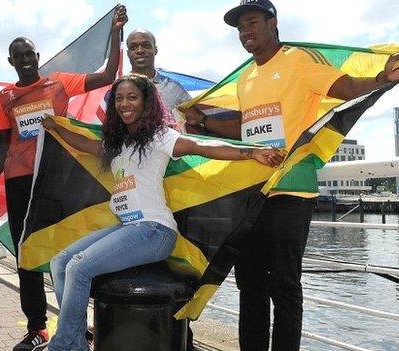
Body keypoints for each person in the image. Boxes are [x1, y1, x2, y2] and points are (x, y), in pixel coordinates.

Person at [185, 1, 399, 349]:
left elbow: (347, 87)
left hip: (292, 189)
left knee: (284, 284)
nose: (245, 31)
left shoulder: (298, 61)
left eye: (252, 22)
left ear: (272, 23)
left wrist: (382, 79)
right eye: (240, 28)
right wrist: (203, 121)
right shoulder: (246, 76)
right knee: (249, 283)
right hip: (254, 189)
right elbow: (245, 126)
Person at [40, 74, 285, 351]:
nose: (124, 104)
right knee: (60, 262)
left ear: (146, 102)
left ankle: (62, 346)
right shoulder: (118, 143)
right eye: (119, 99)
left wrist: (250, 153)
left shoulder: (160, 136)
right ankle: (76, 342)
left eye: (132, 97)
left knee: (78, 266)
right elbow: (84, 144)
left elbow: (201, 146)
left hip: (153, 231)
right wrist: (56, 128)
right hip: (126, 228)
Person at [0, 6, 128, 351]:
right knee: (27, 254)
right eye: (19, 56)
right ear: (11, 61)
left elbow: (107, 76)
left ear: (38, 56)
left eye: (30, 53)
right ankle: (36, 328)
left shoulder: (59, 82)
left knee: (71, 251)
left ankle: (75, 324)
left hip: (57, 179)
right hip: (19, 182)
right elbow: (3, 146)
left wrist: (115, 32)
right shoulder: (5, 98)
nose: (26, 59)